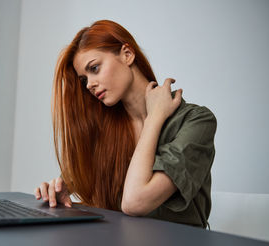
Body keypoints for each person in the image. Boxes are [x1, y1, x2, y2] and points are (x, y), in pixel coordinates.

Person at [33, 20, 217, 228]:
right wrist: (59, 192)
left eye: (95, 68)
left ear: (127, 54)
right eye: (84, 80)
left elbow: (135, 203)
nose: (90, 85)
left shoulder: (197, 121)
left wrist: (154, 118)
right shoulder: (106, 129)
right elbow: (78, 182)